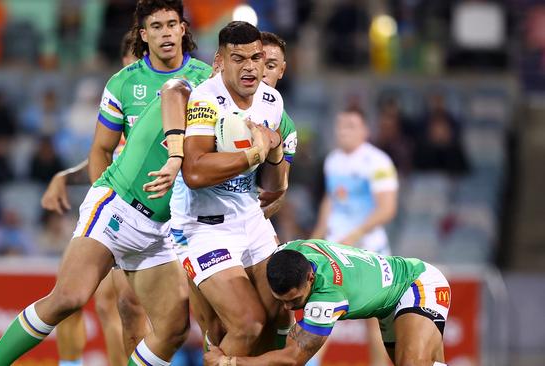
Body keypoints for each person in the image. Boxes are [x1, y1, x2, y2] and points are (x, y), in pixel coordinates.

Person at [0, 1, 212, 364]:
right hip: (118, 207)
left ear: (183, 29)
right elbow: (101, 150)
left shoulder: (207, 80)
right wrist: (107, 206)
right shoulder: (124, 82)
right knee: (70, 298)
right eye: (156, 26)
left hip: (164, 224)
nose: (166, 33)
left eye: (172, 24)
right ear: (144, 35)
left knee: (172, 328)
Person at [171, 21, 288, 357]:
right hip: (204, 229)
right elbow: (193, 171)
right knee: (244, 324)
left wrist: (275, 150)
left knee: (278, 313)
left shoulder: (272, 101)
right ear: (221, 60)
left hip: (250, 219)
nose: (250, 67)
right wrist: (253, 153)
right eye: (238, 59)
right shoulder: (206, 100)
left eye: (256, 58)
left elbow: (274, 185)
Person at [204, 239, 451, 366]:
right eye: (283, 301)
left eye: (295, 300)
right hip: (387, 299)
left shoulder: (328, 295)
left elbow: (293, 359)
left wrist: (230, 361)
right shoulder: (291, 252)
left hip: (415, 283)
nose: (288, 308)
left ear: (311, 278)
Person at [311, 107, 399, 365]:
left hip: (370, 251)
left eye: (350, 125)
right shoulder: (333, 160)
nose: (343, 131)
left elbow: (387, 208)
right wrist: (316, 237)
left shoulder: (378, 162)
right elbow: (331, 199)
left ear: (364, 131)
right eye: (340, 125)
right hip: (336, 251)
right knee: (321, 314)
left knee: (376, 324)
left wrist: (356, 234)